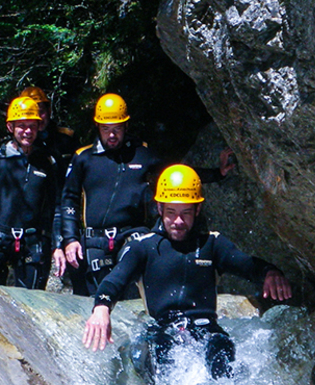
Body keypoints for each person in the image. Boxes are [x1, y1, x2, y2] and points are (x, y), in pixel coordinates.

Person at [82, 164, 292, 385]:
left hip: (205, 329)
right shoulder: (143, 246)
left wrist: (270, 273)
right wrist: (101, 307)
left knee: (221, 347)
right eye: (171, 212)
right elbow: (115, 281)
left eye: (186, 213)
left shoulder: (212, 244)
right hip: (162, 329)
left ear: (198, 209)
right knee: (160, 352)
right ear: (159, 207)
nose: (178, 221)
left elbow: (246, 264)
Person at [57, 93, 229, 297]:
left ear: (126, 126)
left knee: (134, 296)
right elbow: (68, 199)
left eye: (117, 129)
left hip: (131, 236)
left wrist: (217, 173)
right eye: (106, 129)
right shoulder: (83, 158)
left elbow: (176, 174)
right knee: (95, 298)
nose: (112, 135)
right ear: (97, 127)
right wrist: (69, 239)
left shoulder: (142, 153)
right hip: (95, 240)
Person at [0, 96, 64, 289]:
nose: (27, 131)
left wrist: (58, 245)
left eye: (32, 126)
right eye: (21, 126)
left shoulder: (48, 162)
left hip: (32, 241)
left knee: (32, 303)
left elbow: (57, 207)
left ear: (39, 126)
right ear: (10, 127)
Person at [20, 85, 77, 162]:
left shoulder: (66, 137)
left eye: (41, 112)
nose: (38, 118)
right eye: (32, 114)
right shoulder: (20, 143)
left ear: (49, 111)